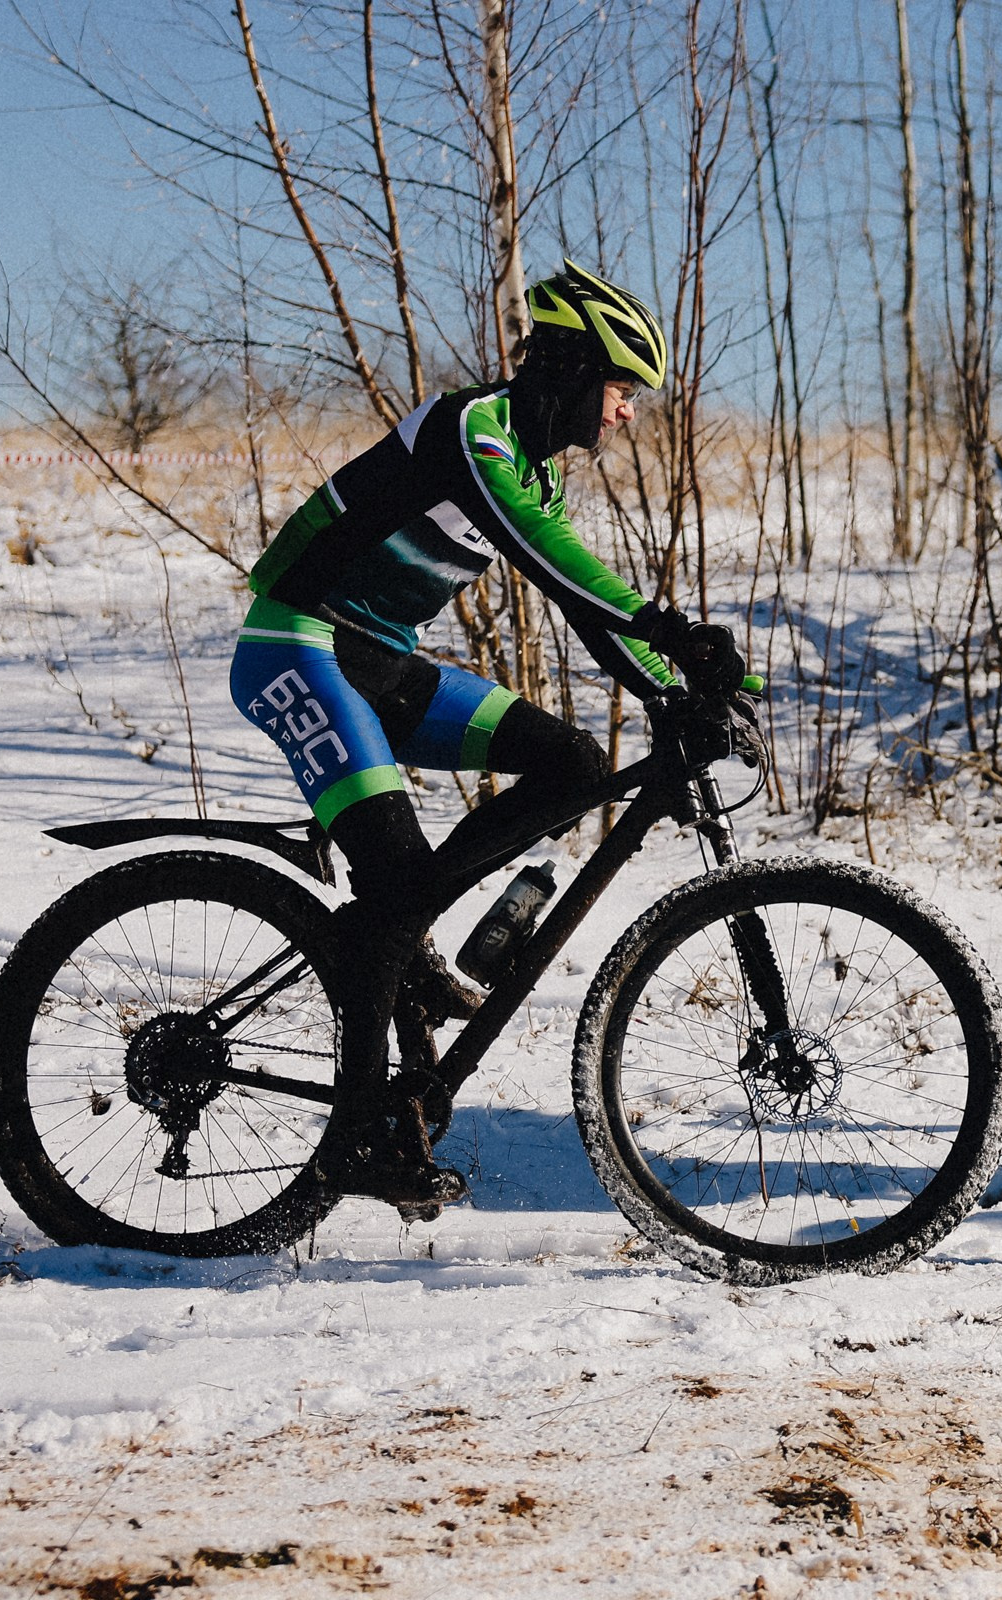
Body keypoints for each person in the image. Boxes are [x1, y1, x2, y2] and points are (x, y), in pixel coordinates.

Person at [228, 259, 743, 1205]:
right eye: (623, 390)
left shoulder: (536, 474)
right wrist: (665, 625)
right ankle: (355, 1137)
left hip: (375, 659)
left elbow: (588, 611)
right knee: (395, 887)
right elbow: (552, 562)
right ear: (580, 372)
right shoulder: (475, 430)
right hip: (294, 643)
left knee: (573, 764)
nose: (628, 414)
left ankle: (408, 937)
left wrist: (679, 692)